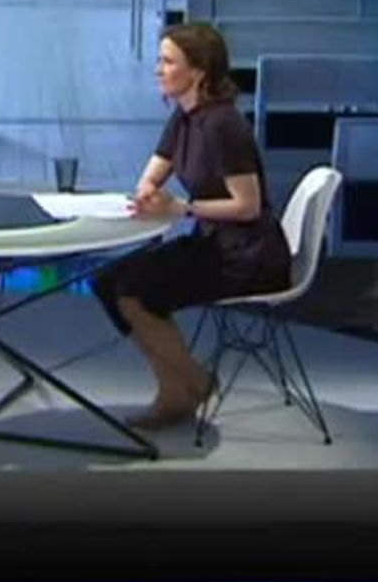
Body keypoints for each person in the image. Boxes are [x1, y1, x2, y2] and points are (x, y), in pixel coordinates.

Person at [92, 22, 293, 431]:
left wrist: (183, 208)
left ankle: (185, 387)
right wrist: (148, 192)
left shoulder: (223, 126)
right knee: (107, 281)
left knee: (133, 290)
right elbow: (153, 174)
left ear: (198, 72)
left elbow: (248, 206)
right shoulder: (183, 117)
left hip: (247, 255)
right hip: (213, 243)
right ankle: (185, 384)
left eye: (168, 62)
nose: (158, 70)